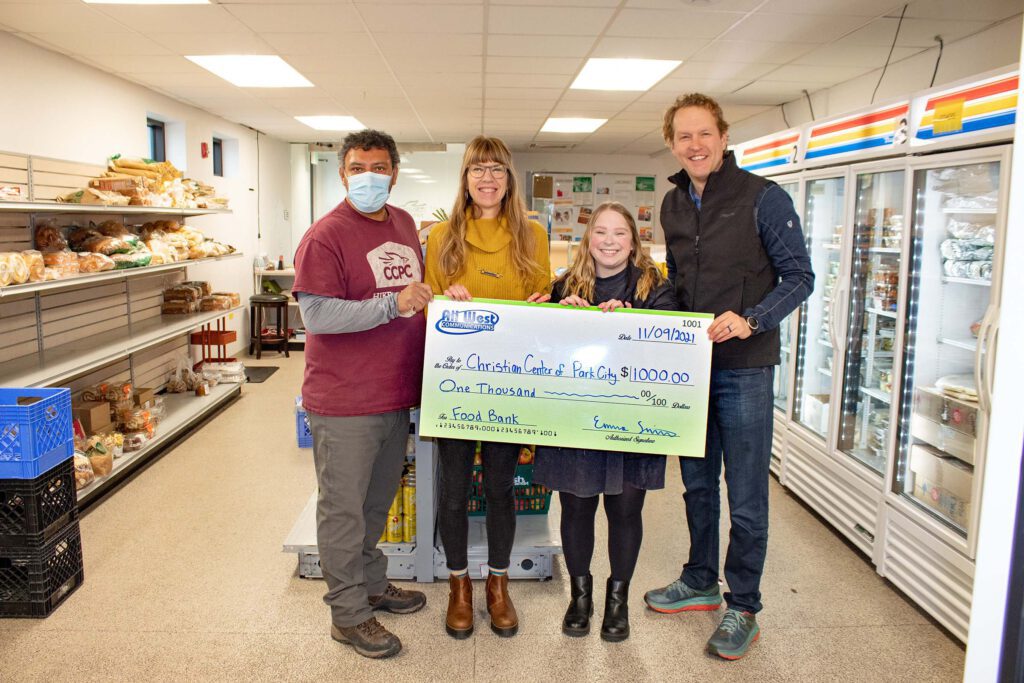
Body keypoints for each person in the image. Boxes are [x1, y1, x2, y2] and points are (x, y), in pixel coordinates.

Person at [644, 94, 814, 660]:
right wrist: (652, 313)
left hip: (744, 368)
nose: (695, 145)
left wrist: (753, 319)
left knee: (744, 495)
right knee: (696, 485)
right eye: (684, 136)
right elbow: (676, 279)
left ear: (723, 136)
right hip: (691, 369)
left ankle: (743, 605)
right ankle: (699, 579)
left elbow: (800, 276)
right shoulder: (671, 203)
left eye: (705, 134)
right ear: (672, 143)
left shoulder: (764, 198)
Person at [292, 129, 434, 660]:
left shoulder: (400, 223)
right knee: (344, 510)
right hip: (345, 399)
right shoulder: (324, 236)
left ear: (394, 172)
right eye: (357, 168)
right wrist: (389, 307)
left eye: (378, 167)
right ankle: (348, 615)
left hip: (395, 392)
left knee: (377, 501)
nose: (368, 176)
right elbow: (319, 315)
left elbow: (414, 295)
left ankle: (372, 582)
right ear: (343, 174)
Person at [423, 135, 551, 640]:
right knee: (453, 492)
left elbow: (538, 300)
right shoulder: (440, 237)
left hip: (508, 386)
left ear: (509, 178)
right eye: (478, 169)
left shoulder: (532, 234)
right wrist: (444, 302)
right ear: (465, 178)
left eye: (497, 169)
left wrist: (543, 302)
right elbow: (428, 310)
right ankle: (459, 585)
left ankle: (498, 584)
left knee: (500, 489)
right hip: (456, 384)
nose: (488, 178)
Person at [532, 202, 676, 643]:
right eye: (601, 232)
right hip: (575, 420)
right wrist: (558, 314)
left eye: (620, 233)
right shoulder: (563, 286)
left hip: (632, 420)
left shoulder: (657, 288)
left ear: (635, 241)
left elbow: (674, 348)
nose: (610, 241)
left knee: (625, 510)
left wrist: (633, 322)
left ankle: (618, 599)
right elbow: (538, 350)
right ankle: (580, 596)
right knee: (576, 506)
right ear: (587, 239)